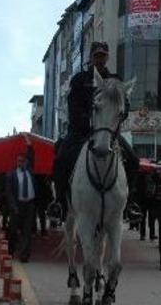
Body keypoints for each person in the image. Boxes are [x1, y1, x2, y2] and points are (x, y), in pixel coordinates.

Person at [48, 41, 141, 222]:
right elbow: (73, 106)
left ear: (107, 57)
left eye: (103, 55)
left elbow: (125, 104)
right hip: (81, 131)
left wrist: (119, 114)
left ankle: (130, 203)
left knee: (133, 161)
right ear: (91, 57)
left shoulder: (115, 80)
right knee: (61, 159)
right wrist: (88, 120)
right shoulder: (79, 79)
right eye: (97, 55)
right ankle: (59, 202)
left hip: (107, 131)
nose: (100, 59)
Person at [5, 134, 36, 262]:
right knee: (13, 231)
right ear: (16, 162)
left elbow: (31, 156)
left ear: (26, 162)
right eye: (19, 161)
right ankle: (11, 251)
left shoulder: (30, 170)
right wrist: (13, 207)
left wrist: (29, 144)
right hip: (17, 206)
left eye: (23, 161)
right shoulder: (11, 175)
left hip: (29, 205)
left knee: (27, 232)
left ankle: (24, 255)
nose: (21, 163)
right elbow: (9, 192)